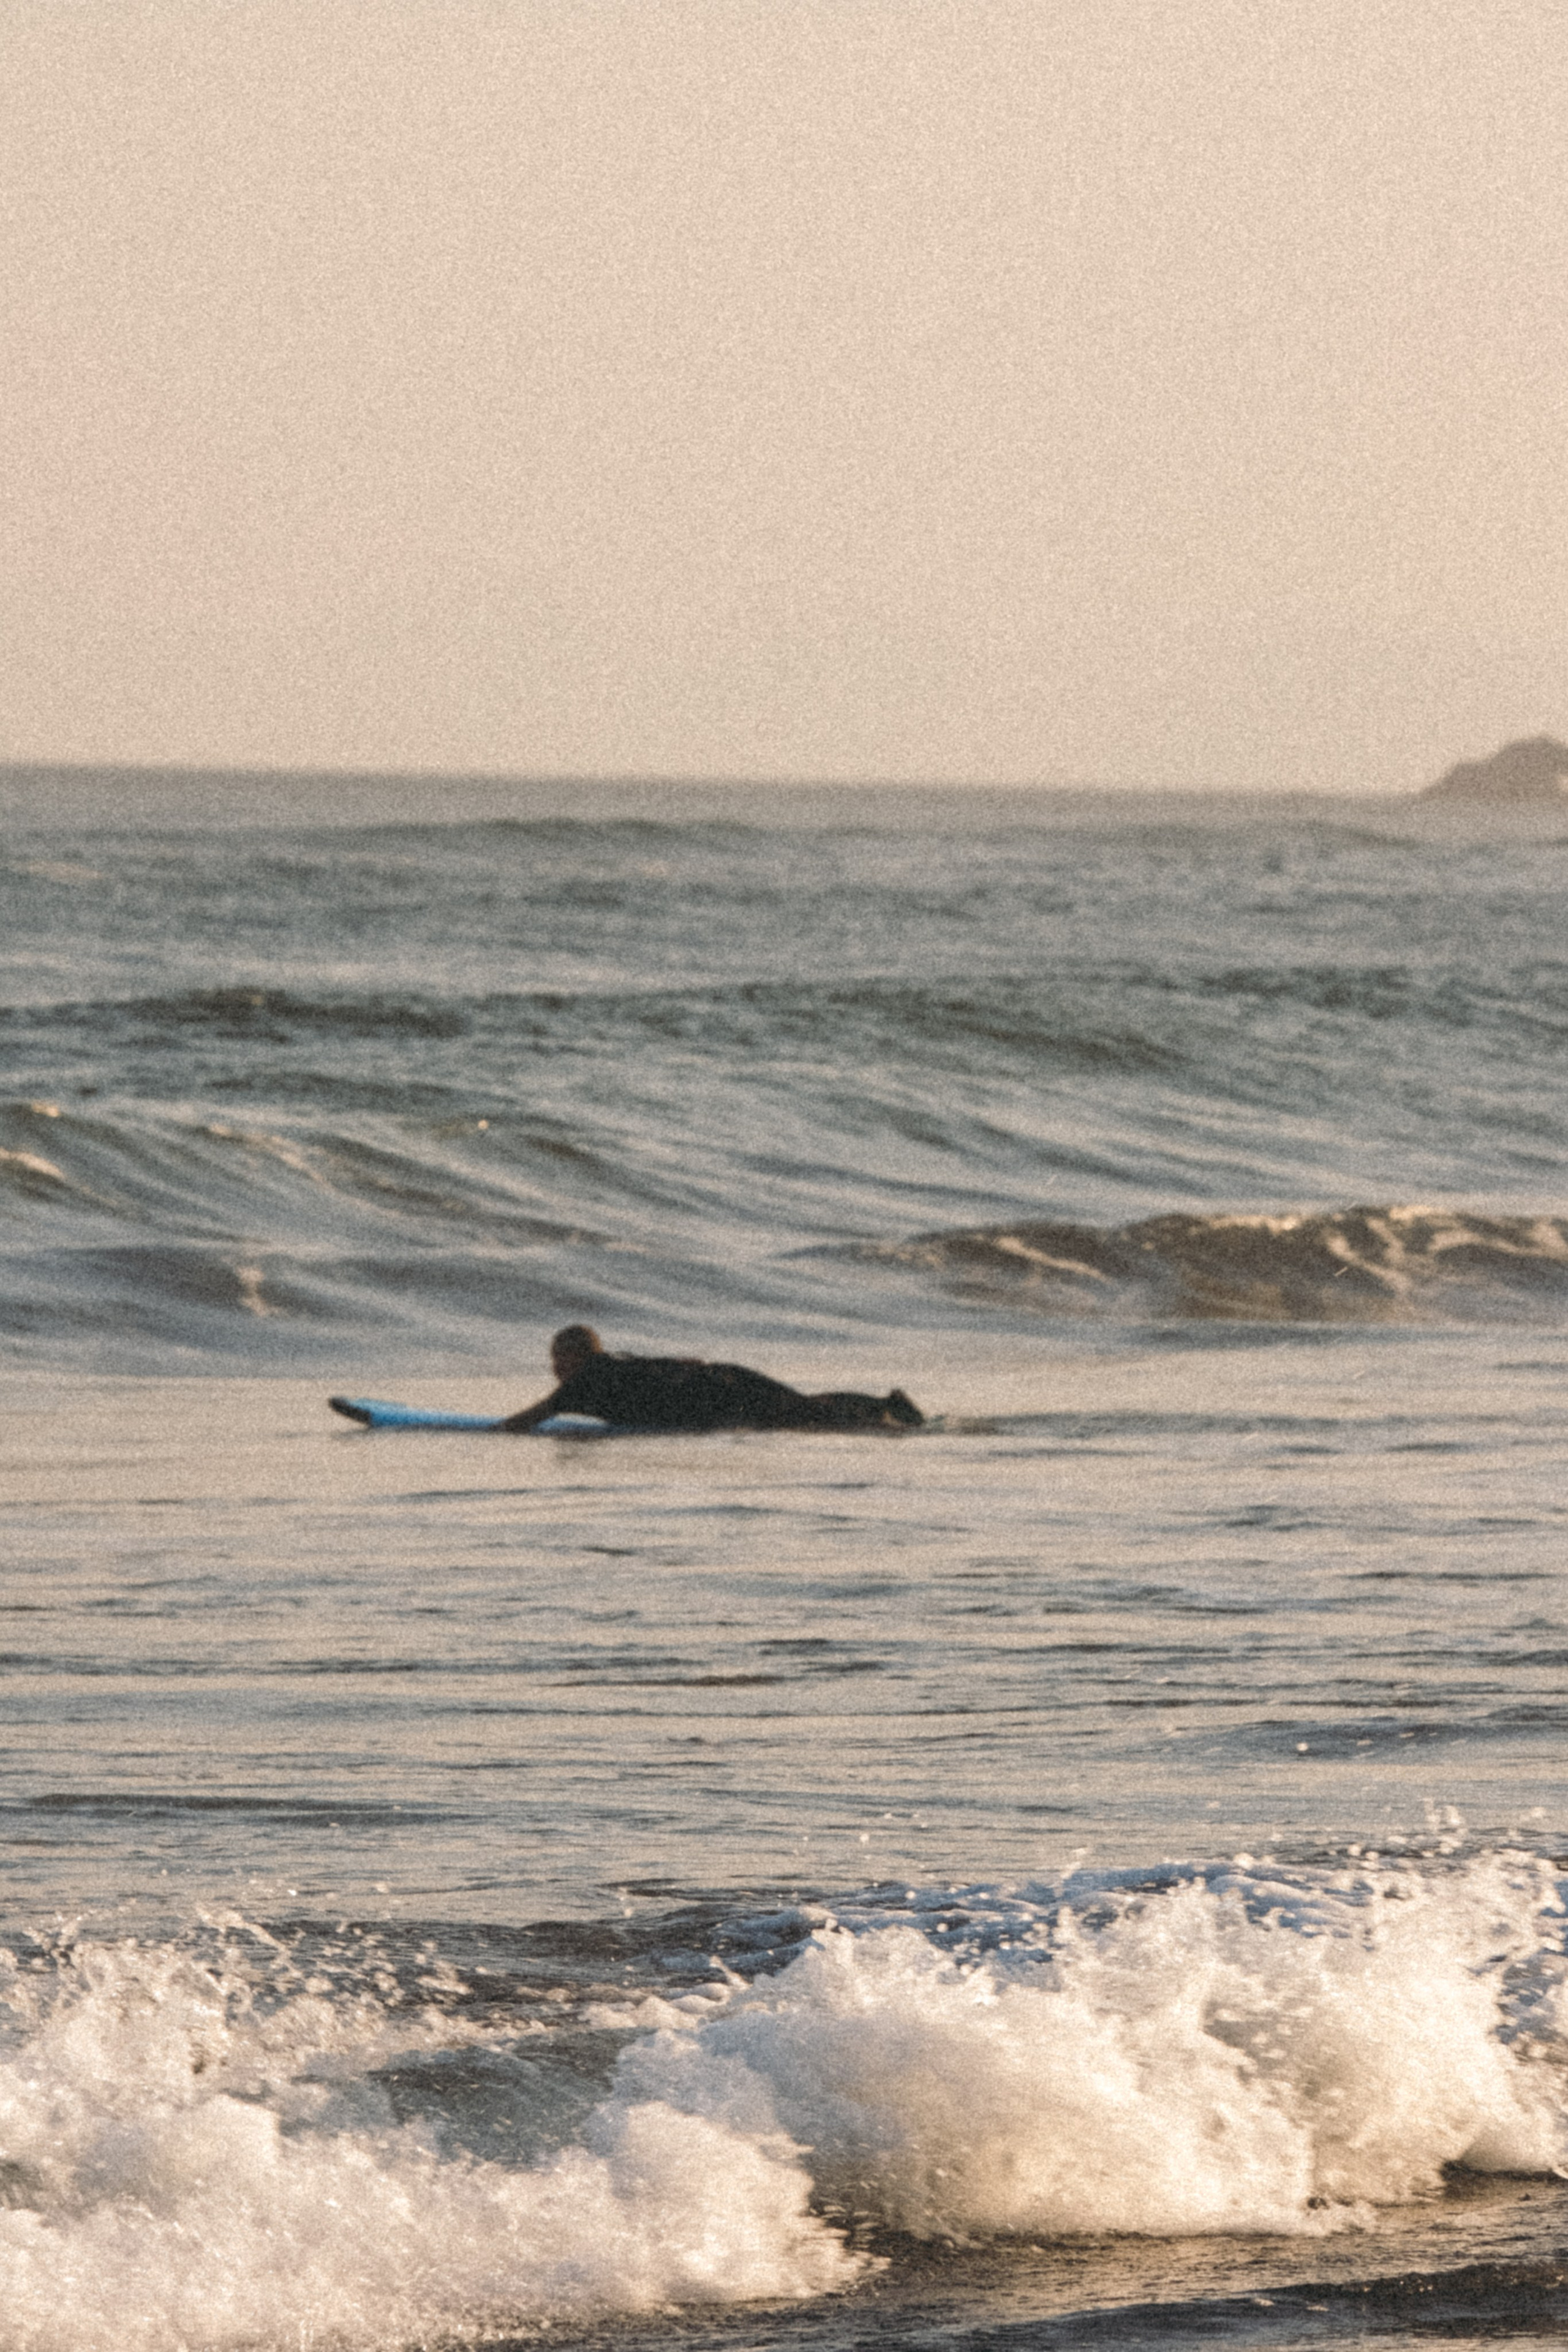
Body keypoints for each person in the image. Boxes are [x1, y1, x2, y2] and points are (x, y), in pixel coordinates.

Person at [497, 1325, 924, 1433]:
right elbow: (687, 1359)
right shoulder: (616, 1364)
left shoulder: (581, 1384)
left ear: (574, 1357)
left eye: (557, 1359)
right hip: (721, 1378)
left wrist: (468, 1432)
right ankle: (883, 1408)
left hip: (711, 1399)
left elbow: (521, 1424)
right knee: (801, 1407)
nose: (554, 1369)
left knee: (796, 1416)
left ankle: (884, 1416)